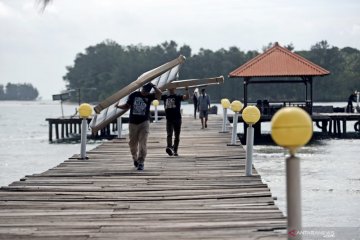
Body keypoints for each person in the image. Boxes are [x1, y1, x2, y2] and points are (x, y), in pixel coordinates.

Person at [116, 82, 162, 171]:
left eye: (146, 92)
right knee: (132, 143)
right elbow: (127, 106)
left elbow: (160, 94)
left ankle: (141, 162)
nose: (144, 93)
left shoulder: (150, 96)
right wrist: (118, 107)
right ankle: (135, 158)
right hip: (133, 123)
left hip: (144, 122)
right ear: (142, 89)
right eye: (144, 91)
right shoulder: (134, 95)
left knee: (142, 142)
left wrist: (154, 87)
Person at [161, 86, 189, 156]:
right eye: (169, 87)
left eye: (172, 87)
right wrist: (160, 89)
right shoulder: (165, 97)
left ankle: (175, 150)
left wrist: (187, 90)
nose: (171, 89)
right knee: (169, 134)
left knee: (177, 135)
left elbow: (186, 97)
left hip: (177, 119)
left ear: (175, 88)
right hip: (169, 119)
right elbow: (157, 96)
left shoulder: (177, 96)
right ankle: (169, 147)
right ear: (168, 89)